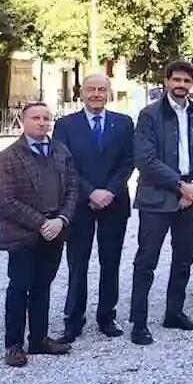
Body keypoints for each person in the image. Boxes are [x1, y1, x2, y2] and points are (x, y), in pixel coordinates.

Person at [129, 60, 193, 345]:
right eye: (176, 80)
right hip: (157, 196)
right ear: (166, 81)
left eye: (186, 81)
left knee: (184, 258)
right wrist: (180, 186)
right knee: (147, 260)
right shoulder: (149, 114)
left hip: (192, 196)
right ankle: (138, 322)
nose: (181, 86)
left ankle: (174, 312)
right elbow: (146, 159)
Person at [0, 102, 78, 367]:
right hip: (23, 233)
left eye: (46, 118)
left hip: (55, 231)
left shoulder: (61, 151)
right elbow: (6, 201)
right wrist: (43, 223)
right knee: (19, 287)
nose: (42, 123)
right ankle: (14, 345)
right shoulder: (8, 156)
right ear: (22, 121)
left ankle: (39, 338)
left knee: (43, 286)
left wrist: (62, 219)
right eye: (35, 118)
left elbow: (73, 189)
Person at [52, 73, 134, 343]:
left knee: (110, 261)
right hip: (79, 202)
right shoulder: (65, 125)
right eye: (91, 89)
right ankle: (73, 319)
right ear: (81, 92)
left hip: (114, 201)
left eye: (101, 89)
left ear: (109, 92)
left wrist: (109, 190)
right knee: (78, 262)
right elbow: (64, 162)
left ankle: (106, 315)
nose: (96, 94)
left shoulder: (123, 123)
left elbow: (128, 160)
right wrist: (91, 191)